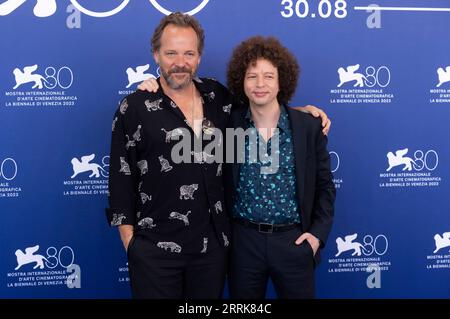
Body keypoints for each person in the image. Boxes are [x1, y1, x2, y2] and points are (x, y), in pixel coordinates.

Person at [107, 12, 331, 299]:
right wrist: (131, 243)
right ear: (156, 55)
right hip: (154, 251)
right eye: (171, 53)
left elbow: (261, 104)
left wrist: (303, 112)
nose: (180, 62)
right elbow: (120, 179)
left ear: (199, 57)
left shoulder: (217, 97)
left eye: (189, 53)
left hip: (211, 251)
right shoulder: (135, 107)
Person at [223, 36, 336, 299]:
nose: (260, 84)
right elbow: (186, 96)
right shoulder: (229, 125)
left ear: (281, 80)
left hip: (293, 243)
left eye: (268, 76)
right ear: (241, 81)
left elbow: (325, 188)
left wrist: (316, 236)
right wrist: (153, 84)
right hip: (243, 244)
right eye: (252, 76)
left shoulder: (307, 127)